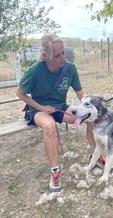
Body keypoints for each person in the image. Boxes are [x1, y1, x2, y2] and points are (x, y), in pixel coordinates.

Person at [16, 34, 105, 192]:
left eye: (63, 53)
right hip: (38, 110)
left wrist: (93, 106)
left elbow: (80, 95)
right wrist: (42, 108)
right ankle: (55, 172)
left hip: (59, 107)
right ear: (45, 56)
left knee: (90, 118)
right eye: (57, 55)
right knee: (49, 125)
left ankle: (95, 156)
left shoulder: (70, 69)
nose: (62, 58)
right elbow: (20, 94)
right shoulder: (34, 71)